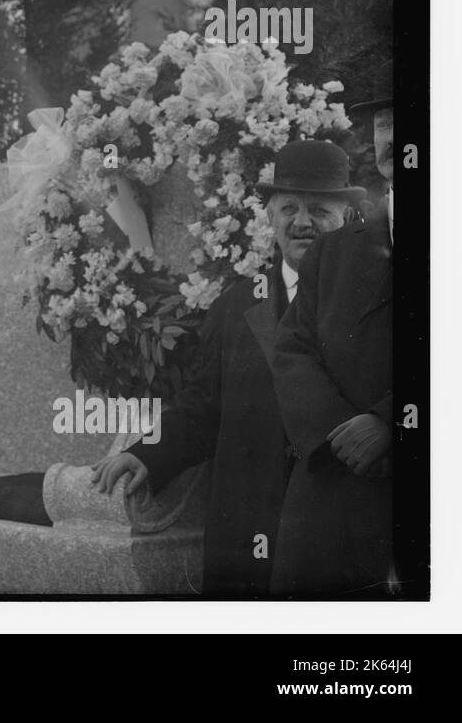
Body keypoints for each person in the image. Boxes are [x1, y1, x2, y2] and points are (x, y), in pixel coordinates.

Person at [91, 140, 362, 595]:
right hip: (248, 528)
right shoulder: (237, 305)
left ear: (347, 218)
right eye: (289, 208)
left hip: (338, 531)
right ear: (271, 218)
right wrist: (146, 452)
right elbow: (202, 404)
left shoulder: (375, 301)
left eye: (319, 210)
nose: (302, 222)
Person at [270, 62, 395, 595]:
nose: (398, 137)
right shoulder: (335, 253)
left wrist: (390, 422)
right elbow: (292, 348)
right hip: (332, 506)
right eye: (387, 122)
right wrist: (345, 438)